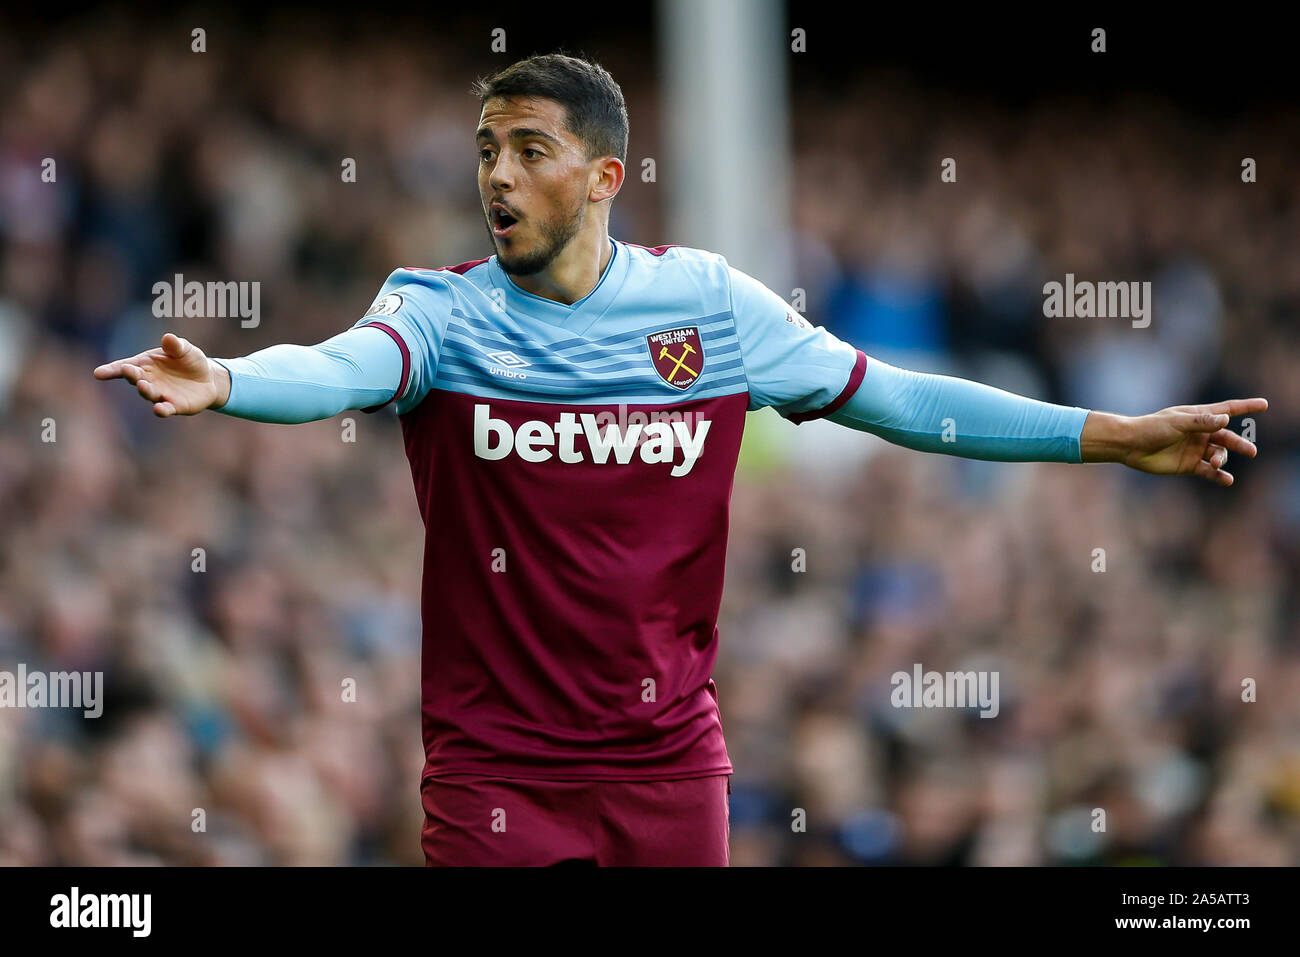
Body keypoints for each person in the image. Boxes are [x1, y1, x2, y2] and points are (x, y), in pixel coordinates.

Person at [94, 53, 1267, 866]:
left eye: (529, 150)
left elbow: (898, 399)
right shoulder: (438, 315)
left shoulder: (709, 308)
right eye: (486, 149)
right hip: (496, 770)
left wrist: (1112, 437)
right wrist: (234, 381)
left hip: (668, 766)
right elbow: (339, 369)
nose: (496, 175)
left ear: (602, 178)